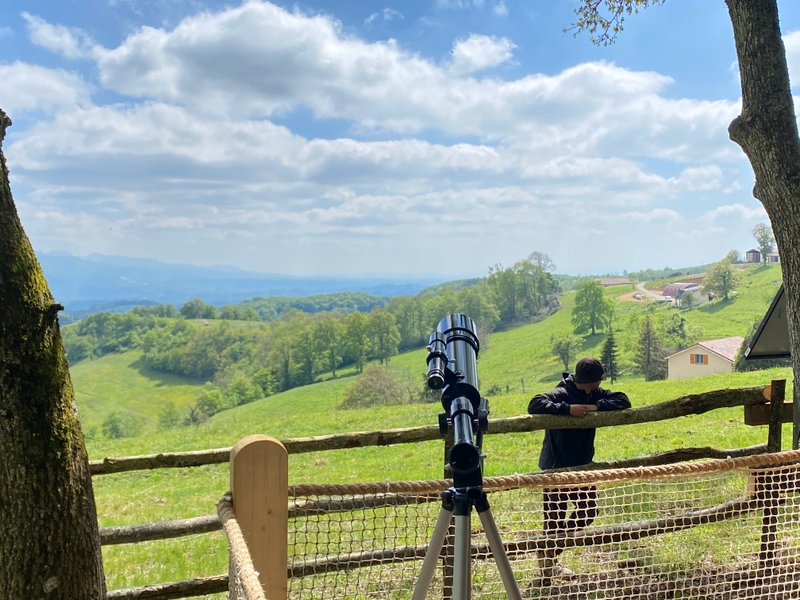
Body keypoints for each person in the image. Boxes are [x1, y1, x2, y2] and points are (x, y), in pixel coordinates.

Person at [527, 357, 630, 582]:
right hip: (556, 467)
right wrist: (567, 410)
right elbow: (535, 403)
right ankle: (548, 566)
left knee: (588, 510)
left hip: (582, 466)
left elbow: (623, 400)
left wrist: (594, 407)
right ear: (590, 380)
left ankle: (550, 553)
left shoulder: (595, 394)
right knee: (554, 519)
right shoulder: (562, 393)